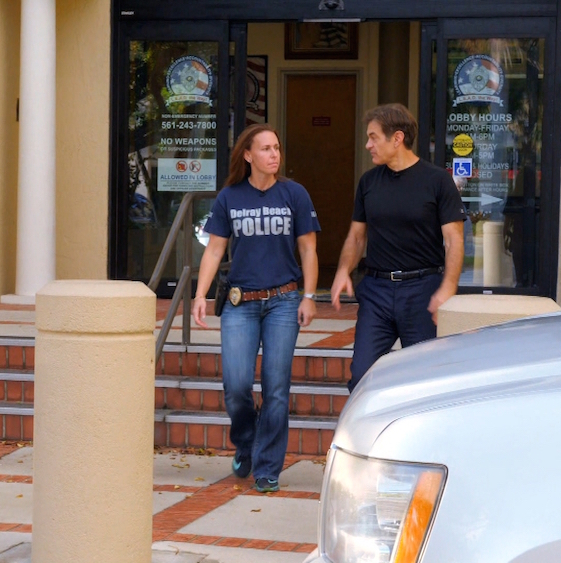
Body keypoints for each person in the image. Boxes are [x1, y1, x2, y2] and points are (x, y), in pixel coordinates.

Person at [192, 124, 320, 493]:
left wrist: (309, 296)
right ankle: (246, 442)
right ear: (248, 155)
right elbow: (215, 249)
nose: (274, 155)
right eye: (265, 149)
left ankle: (267, 468)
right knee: (236, 386)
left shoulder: (294, 194)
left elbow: (309, 249)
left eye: (277, 148)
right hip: (240, 304)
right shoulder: (230, 197)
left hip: (283, 302)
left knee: (276, 388)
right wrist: (200, 295)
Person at [331, 103, 465, 392]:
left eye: (373, 137)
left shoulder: (437, 181)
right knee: (361, 378)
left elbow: (454, 239)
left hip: (422, 290)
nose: (368, 145)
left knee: (423, 381)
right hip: (377, 291)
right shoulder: (368, 182)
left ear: (397, 138)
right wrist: (344, 270)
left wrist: (447, 288)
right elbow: (356, 236)